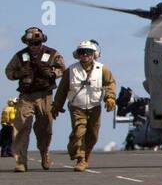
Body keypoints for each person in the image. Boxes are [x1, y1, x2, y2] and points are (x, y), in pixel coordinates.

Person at [5, 27, 66, 173]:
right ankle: (20, 161)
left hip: (45, 96)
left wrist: (52, 73)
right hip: (26, 96)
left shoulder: (52, 54)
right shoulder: (20, 56)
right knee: (20, 127)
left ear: (41, 42)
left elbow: (63, 69)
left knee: (44, 128)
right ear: (26, 42)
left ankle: (45, 153)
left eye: (37, 43)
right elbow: (8, 72)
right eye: (31, 43)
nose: (34, 46)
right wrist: (19, 73)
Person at [52, 40, 117, 172]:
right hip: (77, 107)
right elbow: (62, 90)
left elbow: (110, 83)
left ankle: (84, 156)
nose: (85, 55)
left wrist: (110, 97)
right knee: (79, 132)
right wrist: (56, 106)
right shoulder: (71, 70)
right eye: (82, 52)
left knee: (93, 135)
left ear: (94, 54)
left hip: (95, 107)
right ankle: (80, 159)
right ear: (78, 54)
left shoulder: (102, 69)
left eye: (89, 52)